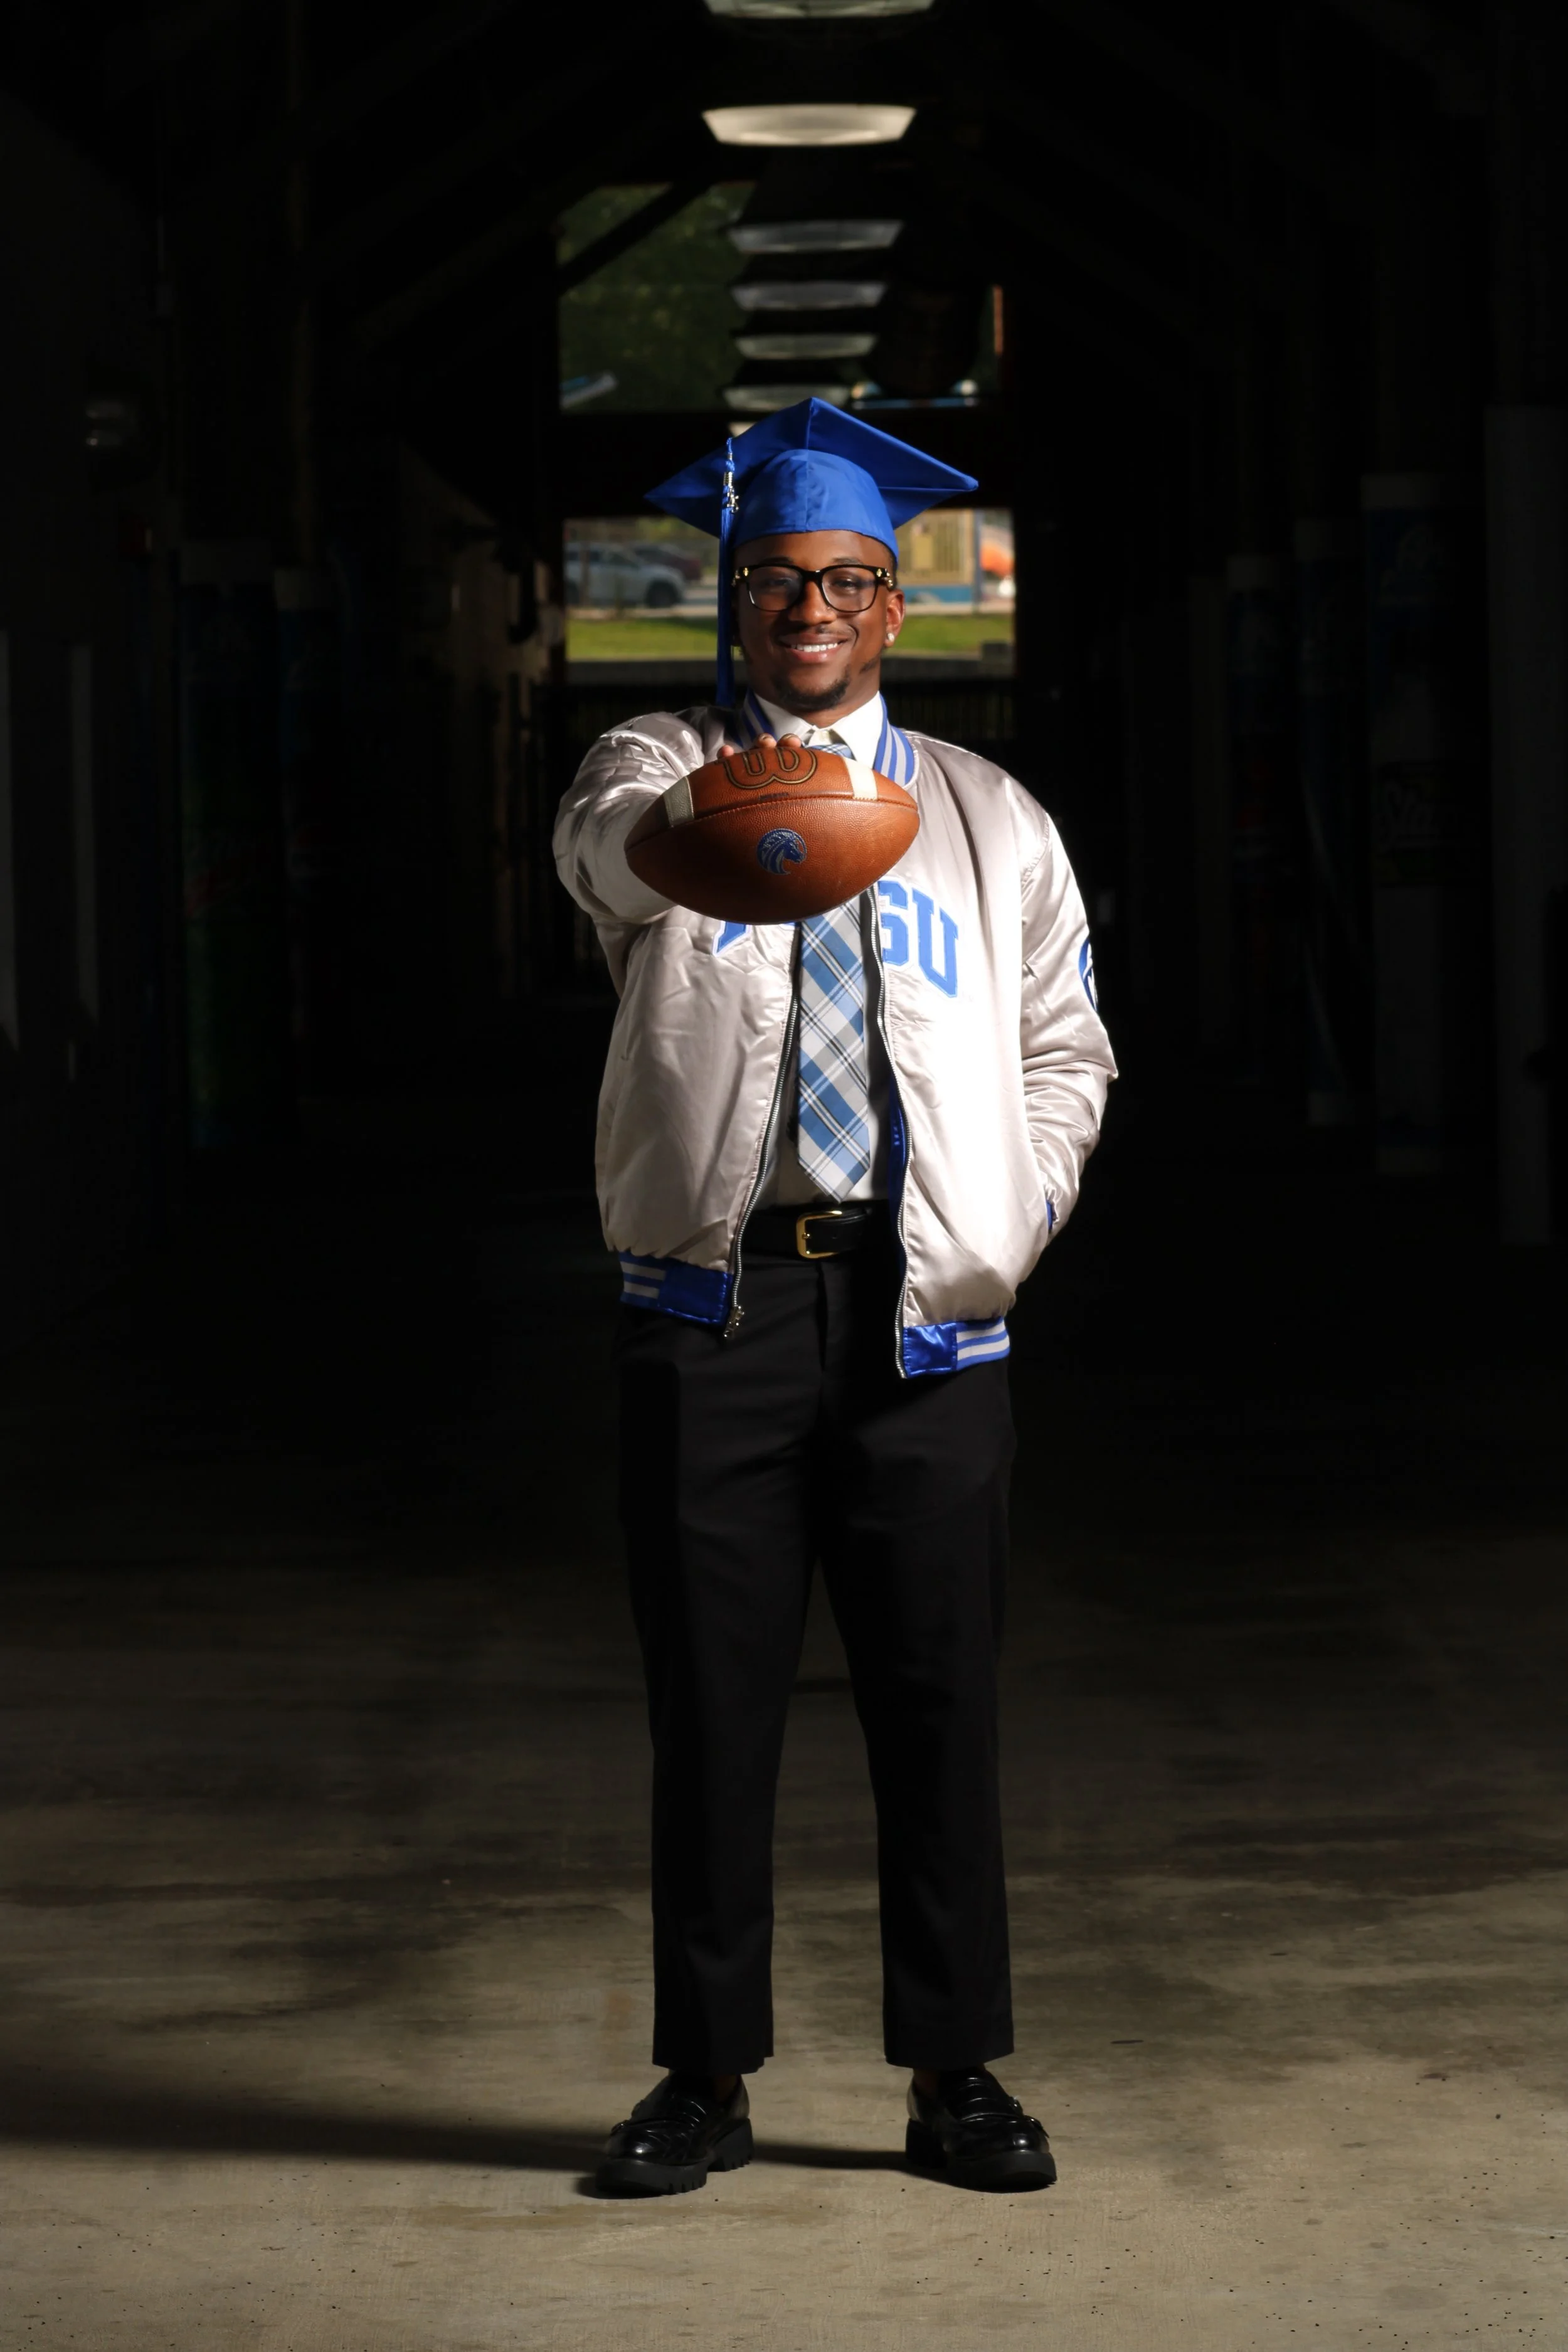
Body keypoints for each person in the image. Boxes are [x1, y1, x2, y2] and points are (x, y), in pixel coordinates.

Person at [553, 399, 1115, 2198]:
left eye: (850, 581)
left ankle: (955, 2071)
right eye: (778, 579)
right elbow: (607, 865)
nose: (813, 607)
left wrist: (1002, 1224)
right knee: (709, 1702)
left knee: (936, 1696)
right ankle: (703, 2077)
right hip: (712, 1307)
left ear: (898, 606)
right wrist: (725, 816)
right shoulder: (648, 765)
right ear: (731, 599)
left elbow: (1065, 1050)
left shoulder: (987, 813)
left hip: (922, 1316)